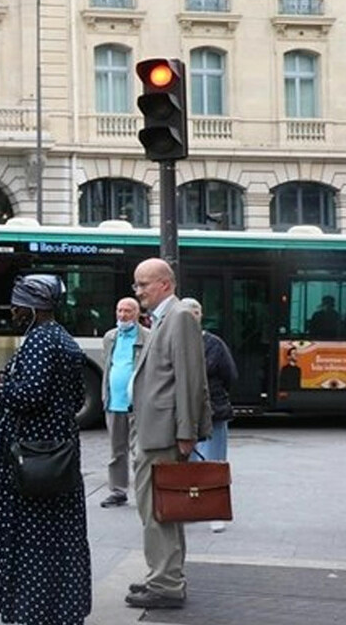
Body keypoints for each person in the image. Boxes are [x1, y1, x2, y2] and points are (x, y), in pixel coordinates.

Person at [0, 274, 91, 625]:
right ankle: (57, 608)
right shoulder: (64, 340)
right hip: (57, 454)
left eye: (18, 305)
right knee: (57, 538)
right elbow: (75, 397)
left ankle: (31, 609)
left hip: (31, 457)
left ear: (34, 307)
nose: (14, 311)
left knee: (29, 538)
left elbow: (30, 396)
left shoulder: (39, 341)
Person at [125, 258, 211, 610]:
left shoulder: (178, 318)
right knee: (165, 510)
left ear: (165, 284)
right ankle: (164, 575)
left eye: (143, 284)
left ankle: (165, 583)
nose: (138, 291)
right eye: (137, 285)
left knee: (157, 512)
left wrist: (186, 433)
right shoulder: (164, 319)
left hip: (162, 436)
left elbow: (191, 380)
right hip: (152, 431)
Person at [180, 297, 238, 534]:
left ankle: (215, 512)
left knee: (214, 462)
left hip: (214, 410)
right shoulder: (176, 342)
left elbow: (229, 375)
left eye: (195, 313)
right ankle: (192, 508)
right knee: (188, 463)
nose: (190, 317)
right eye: (186, 314)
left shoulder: (214, 343)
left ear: (200, 315)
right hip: (185, 414)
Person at [100, 296, 148, 508]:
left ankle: (143, 492)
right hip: (114, 402)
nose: (122, 315)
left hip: (138, 403)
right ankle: (118, 491)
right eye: (119, 310)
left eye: (127, 311)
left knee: (139, 451)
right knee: (116, 451)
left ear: (136, 314)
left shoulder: (147, 336)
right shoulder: (110, 337)